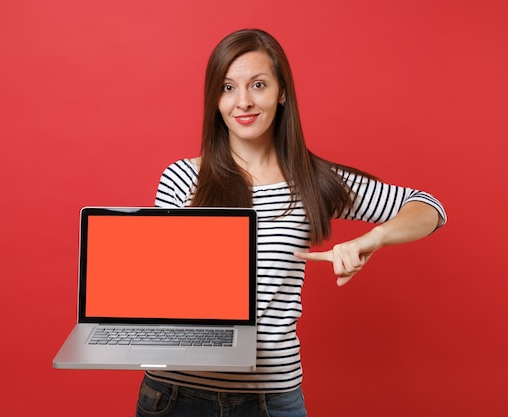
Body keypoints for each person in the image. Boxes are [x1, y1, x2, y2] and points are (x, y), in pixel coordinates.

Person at [135, 28, 446, 417]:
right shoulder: (183, 178)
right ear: (214, 99)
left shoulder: (312, 181)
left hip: (270, 401)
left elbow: (429, 207)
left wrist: (373, 239)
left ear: (282, 93)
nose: (243, 102)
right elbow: (158, 290)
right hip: (173, 397)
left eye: (258, 85)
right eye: (228, 87)